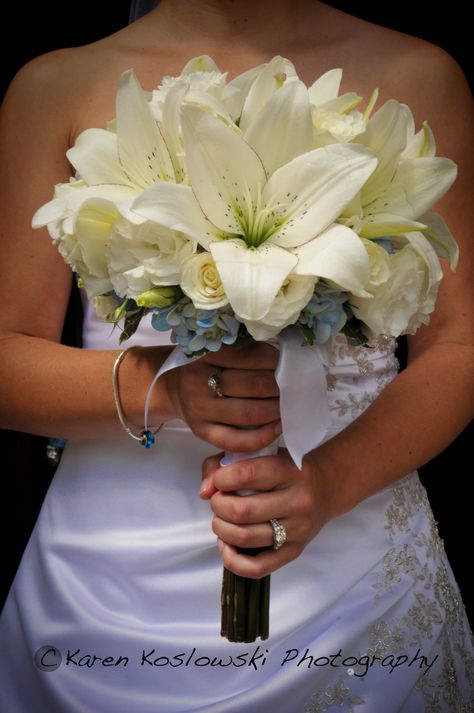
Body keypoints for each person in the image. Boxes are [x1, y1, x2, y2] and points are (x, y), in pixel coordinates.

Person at [0, 1, 473, 711]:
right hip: (108, 581)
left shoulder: (416, 77)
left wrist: (330, 484)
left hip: (353, 570)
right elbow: (8, 361)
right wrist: (169, 389)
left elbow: (461, 346)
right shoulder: (57, 87)